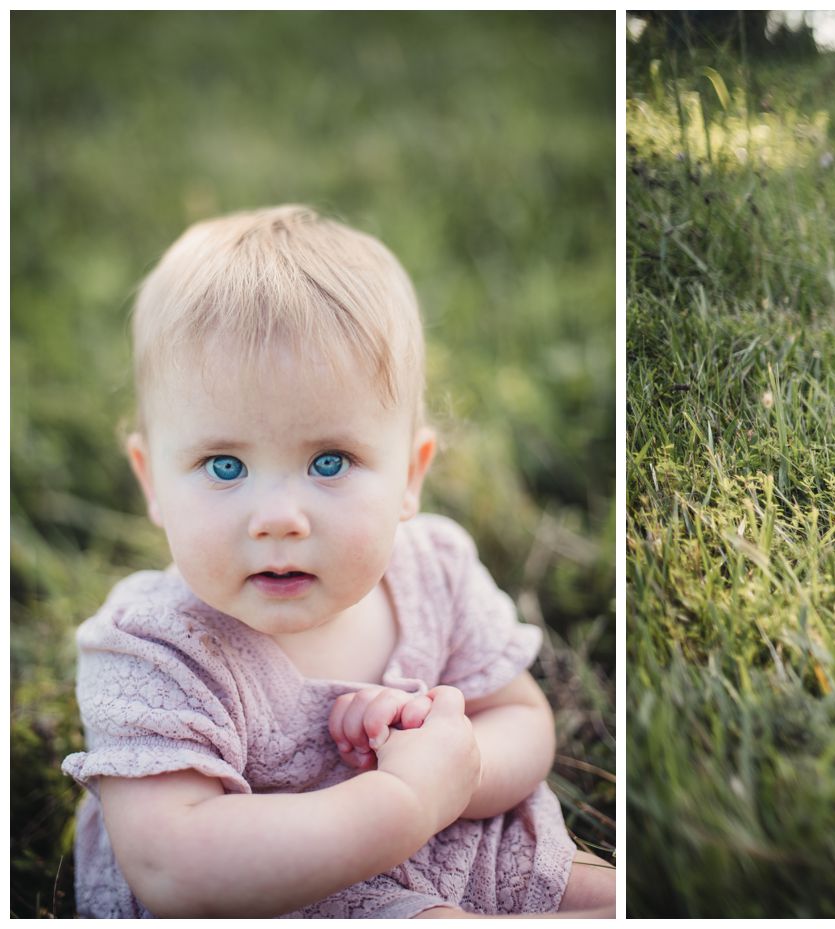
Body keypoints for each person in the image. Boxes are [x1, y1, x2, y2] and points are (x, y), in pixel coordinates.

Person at [60, 206, 617, 917]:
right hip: (290, 898)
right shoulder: (153, 648)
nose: (279, 517)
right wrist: (400, 800)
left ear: (411, 475)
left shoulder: (433, 571)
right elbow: (172, 867)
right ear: (152, 482)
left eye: (331, 461)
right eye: (223, 464)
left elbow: (520, 716)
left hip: (471, 846)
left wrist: (455, 767)